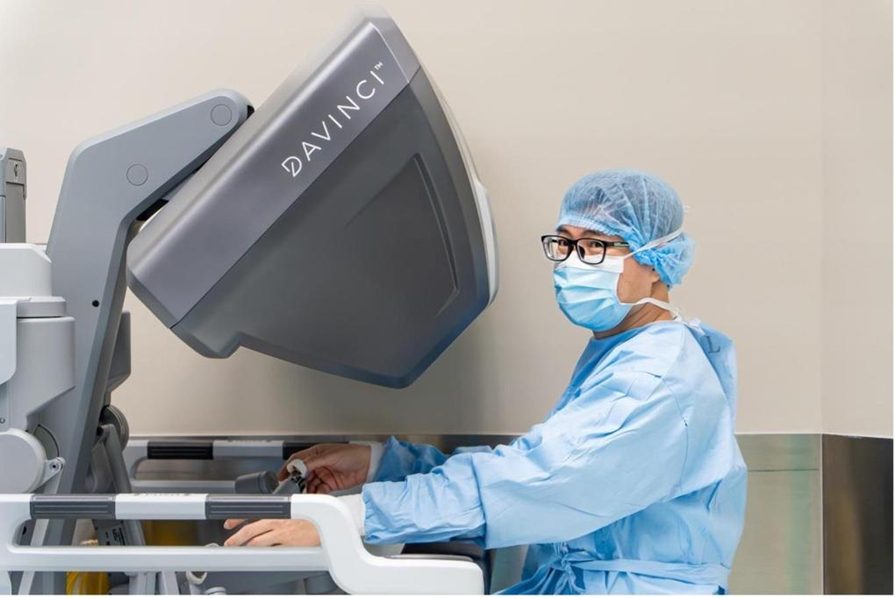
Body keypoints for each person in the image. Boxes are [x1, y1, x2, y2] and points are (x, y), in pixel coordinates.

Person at [224, 169, 747, 594]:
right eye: (564, 244)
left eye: (595, 247)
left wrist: (351, 517)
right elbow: (532, 467)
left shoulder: (654, 379)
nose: (571, 264)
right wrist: (380, 464)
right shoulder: (629, 351)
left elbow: (534, 482)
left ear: (655, 262)